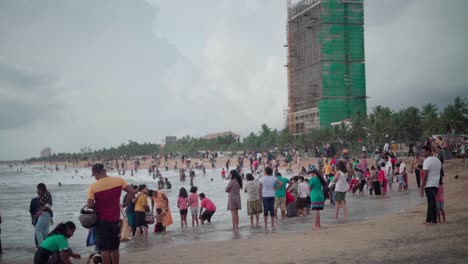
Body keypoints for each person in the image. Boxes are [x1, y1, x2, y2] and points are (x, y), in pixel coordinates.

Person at [87, 163, 136, 264]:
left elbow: (90, 205)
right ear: (104, 171)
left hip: (101, 221)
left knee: (104, 250)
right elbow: (131, 191)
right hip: (115, 219)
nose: (95, 178)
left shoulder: (93, 187)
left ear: (96, 173)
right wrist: (125, 204)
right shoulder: (118, 180)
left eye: (95, 175)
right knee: (114, 248)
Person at [420, 146, 441, 225]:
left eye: (424, 152)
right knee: (430, 202)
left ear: (428, 151)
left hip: (429, 184)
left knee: (431, 202)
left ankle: (433, 220)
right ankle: (428, 219)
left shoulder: (427, 161)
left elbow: (425, 176)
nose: (423, 154)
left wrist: (421, 187)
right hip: (435, 183)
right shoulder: (437, 160)